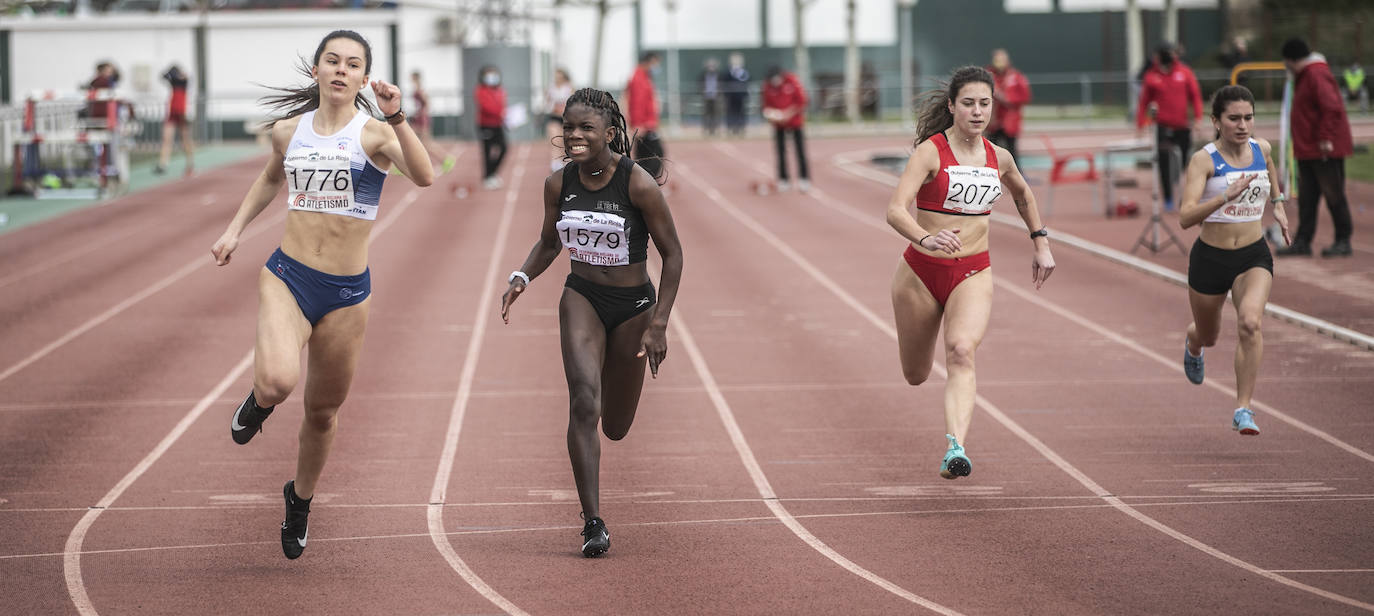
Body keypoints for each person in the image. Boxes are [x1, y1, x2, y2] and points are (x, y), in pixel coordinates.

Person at [209, 30, 434, 560]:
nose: (340, 70)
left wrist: (397, 115)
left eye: (352, 64)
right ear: (316, 71)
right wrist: (235, 230)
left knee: (323, 412)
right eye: (331, 60)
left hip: (348, 293)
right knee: (279, 380)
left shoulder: (374, 134)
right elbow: (269, 179)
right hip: (289, 276)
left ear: (362, 79)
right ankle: (260, 401)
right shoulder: (289, 131)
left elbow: (424, 176)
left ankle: (299, 499)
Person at [500, 87, 683, 558]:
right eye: (569, 128)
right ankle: (593, 522)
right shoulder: (558, 184)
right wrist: (522, 275)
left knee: (616, 425)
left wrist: (659, 323)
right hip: (581, 297)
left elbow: (674, 255)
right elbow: (548, 243)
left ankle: (613, 380)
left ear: (609, 132)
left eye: (586, 128)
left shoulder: (636, 183)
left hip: (633, 309)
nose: (575, 136)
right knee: (584, 401)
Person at [885, 66, 1055, 480]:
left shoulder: (1001, 157)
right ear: (952, 106)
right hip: (921, 273)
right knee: (916, 374)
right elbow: (894, 210)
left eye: (984, 103)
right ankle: (948, 429)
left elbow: (1023, 194)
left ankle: (955, 448)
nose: (977, 112)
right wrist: (926, 239)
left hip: (973, 272)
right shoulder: (931, 152)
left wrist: (1041, 242)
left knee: (961, 350)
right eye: (968, 103)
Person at [1177, 85, 1290, 435]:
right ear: (1216, 121)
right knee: (1209, 335)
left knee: (1250, 323)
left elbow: (1271, 169)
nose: (1243, 125)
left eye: (1249, 117)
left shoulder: (1262, 148)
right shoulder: (1204, 160)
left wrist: (1280, 204)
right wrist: (1225, 196)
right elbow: (1185, 217)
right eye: (1234, 118)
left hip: (1253, 255)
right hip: (1210, 258)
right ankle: (1193, 344)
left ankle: (1244, 408)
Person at [1276, 39, 1355, 258]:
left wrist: (1325, 138)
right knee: (1308, 198)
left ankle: (1343, 239)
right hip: (1309, 149)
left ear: (1292, 59)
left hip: (1323, 149)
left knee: (1333, 194)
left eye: (1286, 61)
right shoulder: (1305, 76)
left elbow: (1331, 107)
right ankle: (1303, 240)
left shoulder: (1315, 74)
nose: (1285, 65)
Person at [1136, 43, 1203, 212]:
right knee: (1164, 161)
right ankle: (1167, 198)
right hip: (1162, 126)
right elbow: (1144, 101)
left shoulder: (1185, 72)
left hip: (1182, 125)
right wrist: (1141, 123)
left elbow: (1195, 96)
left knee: (1185, 160)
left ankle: (1179, 185)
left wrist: (1197, 119)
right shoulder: (1151, 76)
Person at [760, 66, 810, 192]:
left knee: (800, 151)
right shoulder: (767, 87)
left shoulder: (792, 81)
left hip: (795, 122)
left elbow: (802, 101)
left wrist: (788, 114)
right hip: (778, 124)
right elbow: (766, 106)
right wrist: (773, 116)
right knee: (780, 152)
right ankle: (783, 179)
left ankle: (804, 179)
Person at [625, 52, 665, 180]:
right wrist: (638, 124)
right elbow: (637, 103)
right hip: (645, 125)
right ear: (649, 61)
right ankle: (647, 184)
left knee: (644, 156)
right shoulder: (639, 78)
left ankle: (643, 184)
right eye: (656, 63)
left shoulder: (643, 76)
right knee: (655, 154)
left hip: (648, 124)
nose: (657, 67)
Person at [985, 49, 1030, 162]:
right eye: (997, 59)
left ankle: (1016, 175)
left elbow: (1025, 96)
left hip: (1010, 121)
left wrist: (1007, 99)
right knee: (990, 150)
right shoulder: (987, 74)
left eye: (1002, 59)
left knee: (1012, 151)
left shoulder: (1016, 76)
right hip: (992, 121)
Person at [410, 70, 456, 174]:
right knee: (408, 140)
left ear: (415, 78)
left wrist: (422, 114)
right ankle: (405, 166)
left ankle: (447, 159)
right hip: (418, 119)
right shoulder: (417, 89)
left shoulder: (420, 90)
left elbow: (427, 103)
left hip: (421, 120)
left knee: (427, 144)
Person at [155, 64, 195, 177]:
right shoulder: (173, 81)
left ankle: (190, 164)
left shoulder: (184, 81)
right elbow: (163, 76)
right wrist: (171, 73)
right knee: (166, 139)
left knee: (185, 139)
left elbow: (185, 79)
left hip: (182, 112)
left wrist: (179, 75)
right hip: (172, 112)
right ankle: (163, 163)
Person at [476, 65, 508, 190]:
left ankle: (493, 173)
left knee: (504, 148)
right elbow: (486, 107)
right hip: (486, 125)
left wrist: (506, 115)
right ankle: (487, 176)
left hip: (498, 124)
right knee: (487, 151)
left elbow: (502, 104)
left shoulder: (500, 89)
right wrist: (500, 113)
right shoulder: (480, 90)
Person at [545, 68, 574, 172]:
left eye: (559, 76)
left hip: (566, 118)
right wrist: (553, 107)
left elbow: (573, 103)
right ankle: (555, 162)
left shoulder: (569, 87)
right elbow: (547, 103)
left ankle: (564, 161)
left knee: (565, 141)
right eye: (556, 76)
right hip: (554, 117)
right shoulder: (551, 88)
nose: (557, 78)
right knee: (555, 140)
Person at [723, 52, 750, 136]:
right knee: (731, 112)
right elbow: (725, 82)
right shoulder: (728, 72)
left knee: (741, 112)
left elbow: (746, 81)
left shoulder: (744, 72)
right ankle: (731, 128)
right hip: (731, 96)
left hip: (741, 96)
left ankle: (741, 127)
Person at [699, 57, 722, 136]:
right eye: (710, 65)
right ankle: (706, 130)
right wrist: (702, 91)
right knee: (706, 114)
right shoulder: (703, 75)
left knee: (715, 114)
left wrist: (719, 93)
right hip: (706, 97)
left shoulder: (718, 75)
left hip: (716, 98)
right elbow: (699, 85)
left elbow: (721, 85)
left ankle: (715, 130)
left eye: (713, 65)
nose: (711, 67)